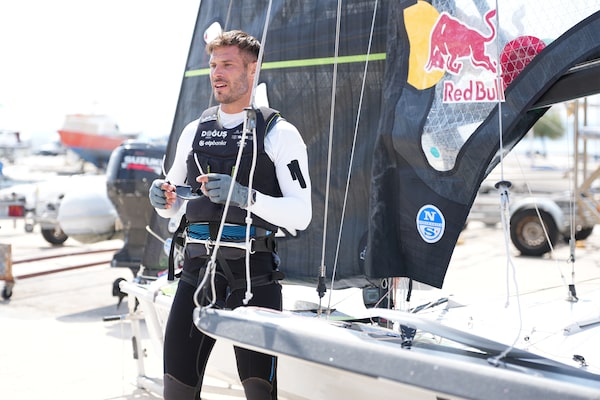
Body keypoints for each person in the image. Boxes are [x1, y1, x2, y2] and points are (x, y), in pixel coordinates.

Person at [148, 30, 312, 400]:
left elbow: (301, 214)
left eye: (228, 65)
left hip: (255, 277)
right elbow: (173, 202)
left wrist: (244, 196)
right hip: (197, 273)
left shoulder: (279, 134)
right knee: (176, 391)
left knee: (259, 393)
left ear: (252, 69)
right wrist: (161, 197)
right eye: (213, 65)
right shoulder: (195, 131)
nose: (217, 73)